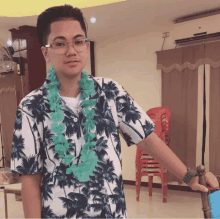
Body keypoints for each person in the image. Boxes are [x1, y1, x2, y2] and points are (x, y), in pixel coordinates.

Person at [10, 4, 219, 219]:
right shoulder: (31, 107)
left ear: (87, 46)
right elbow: (30, 180)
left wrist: (190, 177)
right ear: (46, 52)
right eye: (60, 43)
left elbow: (147, 139)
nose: (71, 50)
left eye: (78, 41)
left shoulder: (110, 92)